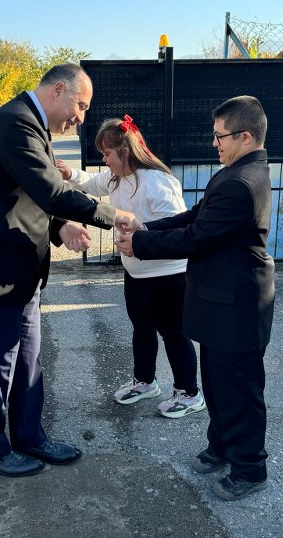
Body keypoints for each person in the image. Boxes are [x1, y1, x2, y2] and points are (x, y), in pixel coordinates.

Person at [0, 63, 135, 478]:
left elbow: (27, 196)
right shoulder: (14, 123)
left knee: (28, 361)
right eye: (80, 106)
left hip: (20, 270)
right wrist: (112, 214)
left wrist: (60, 225)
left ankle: (30, 436)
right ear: (58, 90)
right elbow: (50, 189)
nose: (81, 117)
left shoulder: (29, 124)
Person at [116, 96, 274, 501]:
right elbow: (194, 216)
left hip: (238, 303)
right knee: (218, 382)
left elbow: (197, 237)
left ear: (245, 136)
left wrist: (142, 245)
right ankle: (221, 446)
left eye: (219, 136)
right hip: (219, 299)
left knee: (239, 389)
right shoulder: (233, 172)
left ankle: (250, 467)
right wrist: (147, 229)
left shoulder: (242, 182)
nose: (214, 143)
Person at [57, 115, 204, 418]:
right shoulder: (116, 178)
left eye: (107, 153)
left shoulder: (157, 181)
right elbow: (90, 183)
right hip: (135, 272)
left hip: (167, 274)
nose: (104, 159)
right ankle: (145, 382)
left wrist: (140, 238)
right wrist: (69, 172)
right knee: (142, 328)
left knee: (174, 333)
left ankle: (189, 393)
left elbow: (176, 229)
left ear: (125, 151)